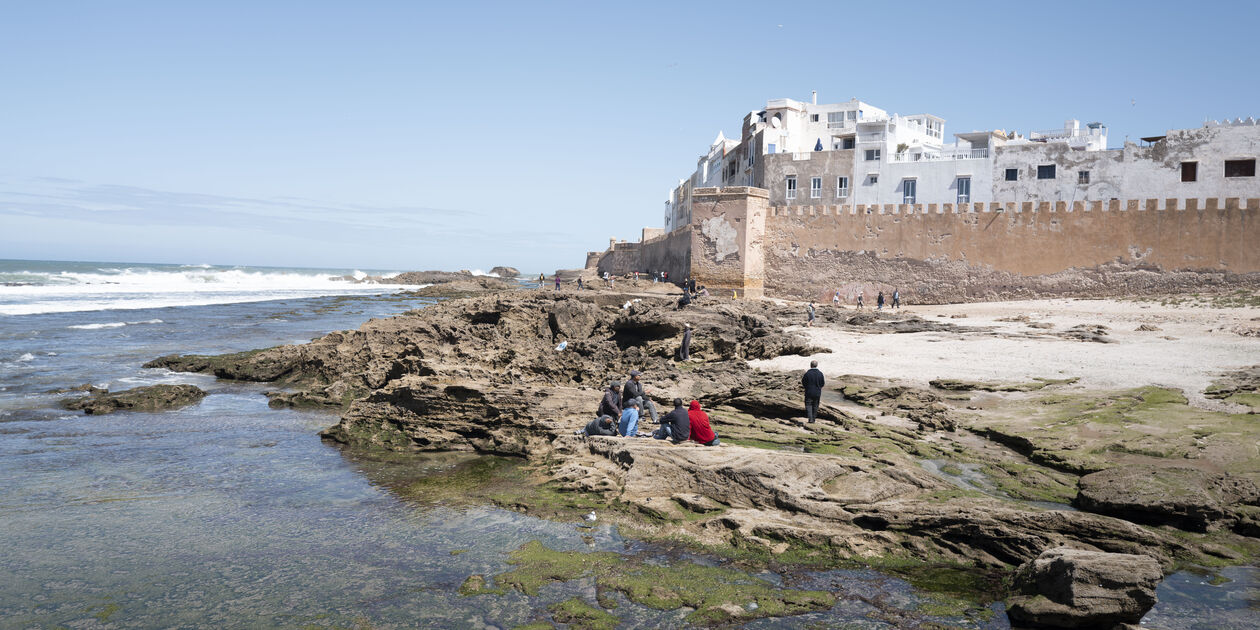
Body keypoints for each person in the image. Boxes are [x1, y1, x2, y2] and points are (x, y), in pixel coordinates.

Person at [802, 360, 825, 424]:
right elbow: (822, 383)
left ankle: (810, 419)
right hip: (817, 392)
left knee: (808, 405)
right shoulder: (820, 373)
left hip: (809, 391)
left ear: (810, 365)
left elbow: (803, 382)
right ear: (816, 365)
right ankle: (813, 419)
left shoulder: (807, 373)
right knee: (815, 406)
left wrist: (806, 387)